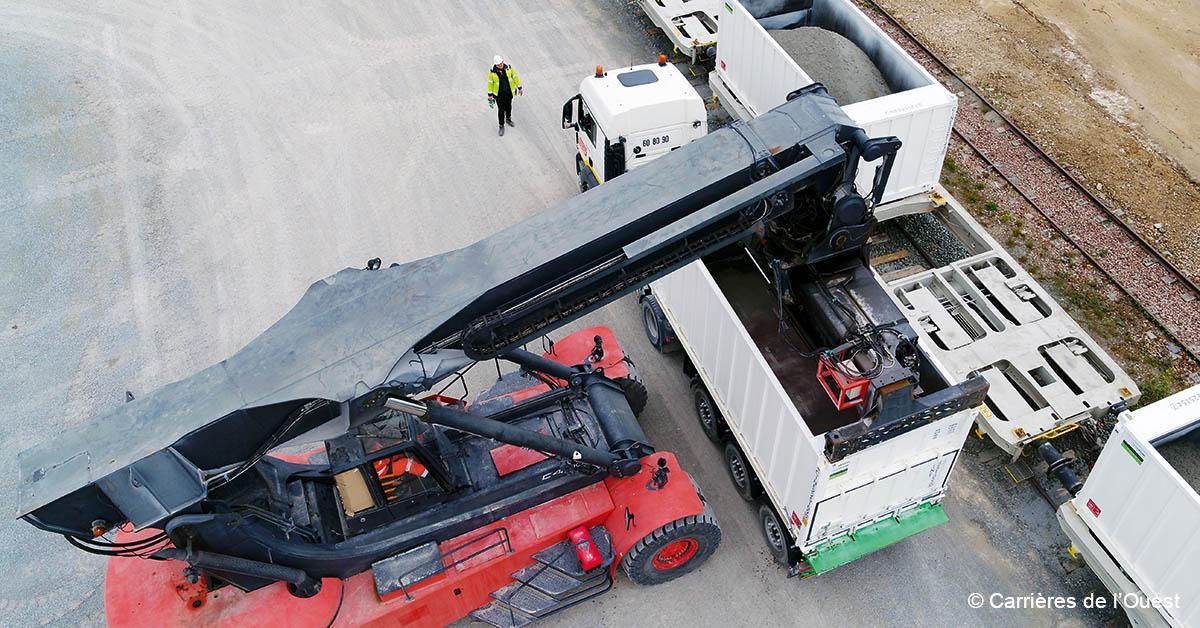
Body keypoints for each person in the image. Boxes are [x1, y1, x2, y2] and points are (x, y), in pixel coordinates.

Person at [487, 55, 522, 136]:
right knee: (501, 110)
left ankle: (508, 119)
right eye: (498, 64)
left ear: (503, 61)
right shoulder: (492, 72)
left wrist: (519, 87)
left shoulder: (509, 68)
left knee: (508, 106)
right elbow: (490, 83)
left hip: (509, 93)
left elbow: (515, 77)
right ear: (495, 65)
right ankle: (501, 125)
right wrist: (490, 94)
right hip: (499, 95)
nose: (500, 65)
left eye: (501, 63)